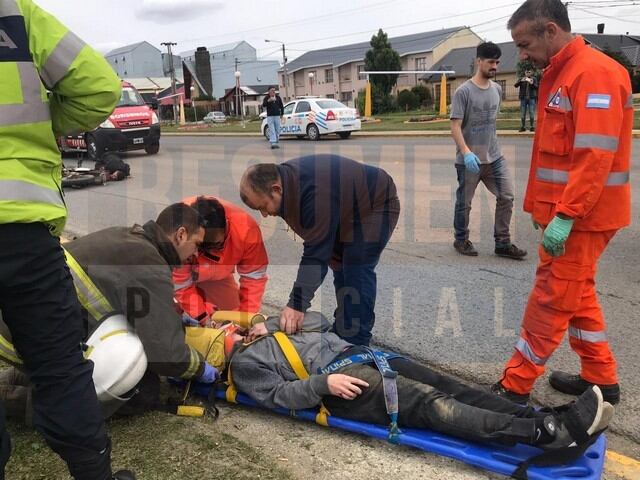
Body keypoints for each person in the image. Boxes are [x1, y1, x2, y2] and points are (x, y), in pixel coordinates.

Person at [0, 0, 132, 478]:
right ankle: (93, 471)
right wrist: (42, 120)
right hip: (23, 232)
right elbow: (99, 88)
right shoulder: (13, 13)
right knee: (58, 364)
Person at [491, 0, 632, 405]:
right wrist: (544, 210)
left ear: (550, 30)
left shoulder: (594, 74)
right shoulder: (563, 72)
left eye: (524, 43)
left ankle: (515, 385)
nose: (520, 54)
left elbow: (594, 156)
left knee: (552, 299)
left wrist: (566, 215)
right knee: (578, 293)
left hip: (584, 217)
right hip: (567, 216)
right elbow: (558, 154)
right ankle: (601, 379)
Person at [228, 312, 613, 457]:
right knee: (431, 404)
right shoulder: (244, 363)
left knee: (451, 386)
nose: (224, 325)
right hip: (342, 382)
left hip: (360, 356)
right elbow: (278, 397)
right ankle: (546, 434)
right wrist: (323, 384)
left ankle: (542, 417)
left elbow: (320, 321)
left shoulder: (261, 334)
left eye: (221, 322)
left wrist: (273, 323)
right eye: (215, 329)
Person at [0, 204, 220, 420]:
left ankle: (20, 378)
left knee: (139, 380)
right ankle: (11, 399)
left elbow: (136, 302)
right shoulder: (149, 264)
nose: (196, 254)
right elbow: (166, 354)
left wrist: (174, 316)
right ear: (181, 235)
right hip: (22, 332)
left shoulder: (128, 238)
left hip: (22, 320)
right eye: (197, 244)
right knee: (137, 392)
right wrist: (201, 369)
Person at [240, 156, 400, 346]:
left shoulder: (313, 193)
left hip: (376, 204)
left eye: (263, 206)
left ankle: (357, 341)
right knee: (340, 268)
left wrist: (297, 304)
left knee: (356, 266)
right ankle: (344, 330)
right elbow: (319, 243)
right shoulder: (286, 187)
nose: (265, 214)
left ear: (276, 189)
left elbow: (316, 254)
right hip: (344, 207)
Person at [450, 42, 527, 260]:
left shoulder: (497, 90)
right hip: (469, 160)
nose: (495, 66)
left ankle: (502, 243)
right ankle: (461, 239)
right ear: (479, 61)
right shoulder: (463, 92)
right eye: (491, 62)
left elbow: (491, 124)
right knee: (464, 203)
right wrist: (465, 153)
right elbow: (455, 125)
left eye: (497, 62)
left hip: (494, 158)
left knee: (507, 196)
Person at [174, 195, 269, 324]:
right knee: (167, 317)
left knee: (233, 321)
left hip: (218, 278)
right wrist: (203, 317)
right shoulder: (178, 230)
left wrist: (246, 319)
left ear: (226, 227)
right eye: (200, 245)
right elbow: (180, 284)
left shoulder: (246, 230)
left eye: (215, 245)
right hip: (174, 278)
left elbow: (254, 279)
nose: (209, 252)